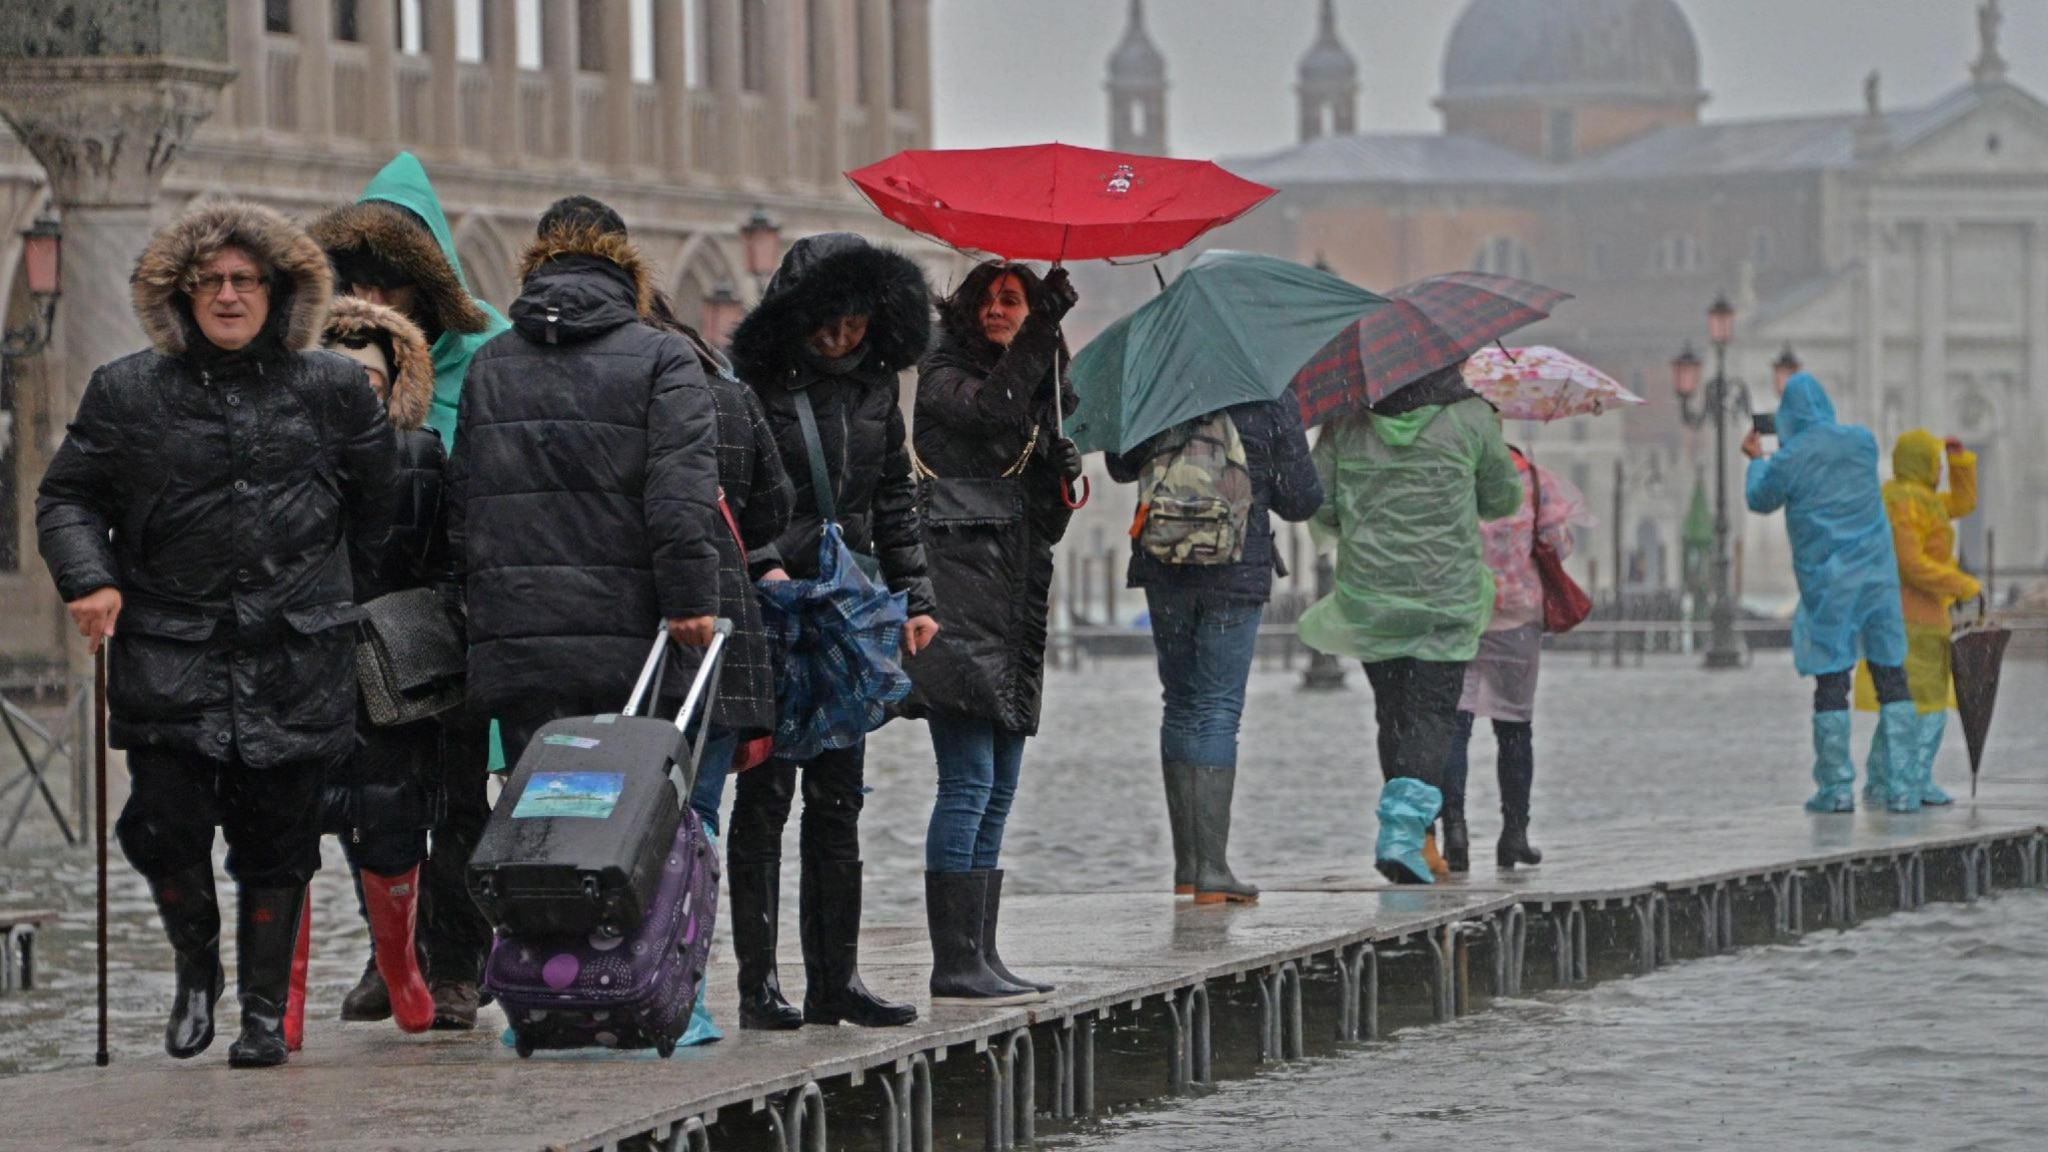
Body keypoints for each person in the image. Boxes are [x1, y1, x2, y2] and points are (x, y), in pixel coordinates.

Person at [36, 201, 397, 1067]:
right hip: (170, 647)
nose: (229, 296)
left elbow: (376, 507)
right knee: (162, 823)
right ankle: (199, 963)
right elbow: (68, 497)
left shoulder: (334, 390)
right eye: (211, 282)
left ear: (278, 293)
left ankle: (264, 1015)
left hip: (295, 651)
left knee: (278, 839)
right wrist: (91, 579)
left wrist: (332, 592)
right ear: (183, 294)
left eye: (245, 281)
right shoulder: (127, 391)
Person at [309, 151, 511, 1028]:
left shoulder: (494, 355)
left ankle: (458, 959)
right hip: (358, 624)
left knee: (461, 795)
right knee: (370, 804)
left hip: (460, 615)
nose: (377, 303)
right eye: (359, 284)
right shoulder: (322, 369)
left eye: (393, 285)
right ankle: (389, 955)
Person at [725, 233, 937, 1030]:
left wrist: (914, 595)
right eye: (831, 323)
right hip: (778, 608)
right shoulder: (752, 385)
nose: (844, 338)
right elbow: (726, 492)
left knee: (839, 796)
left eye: (856, 324)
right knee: (768, 793)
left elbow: (893, 498)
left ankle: (833, 980)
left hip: (848, 611)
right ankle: (757, 985)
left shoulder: (878, 387)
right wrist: (765, 564)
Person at [447, 196, 722, 767]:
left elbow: (463, 504)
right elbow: (680, 495)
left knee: (539, 804)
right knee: (623, 808)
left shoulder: (492, 362)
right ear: (625, 266)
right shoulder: (665, 356)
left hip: (519, 636)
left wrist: (478, 608)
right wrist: (689, 601)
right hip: (631, 633)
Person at [902, 261, 1085, 1005]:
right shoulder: (944, 374)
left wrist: (1060, 477)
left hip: (1010, 603)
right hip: (956, 597)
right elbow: (987, 414)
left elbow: (1041, 521)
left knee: (1001, 787)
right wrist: (1043, 328)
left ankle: (982, 952)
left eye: (1017, 301)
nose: (1002, 311)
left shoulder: (1037, 393)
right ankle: (953, 960)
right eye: (993, 299)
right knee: (968, 782)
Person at [1298, 365, 1522, 884]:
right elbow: (1503, 500)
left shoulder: (1346, 421)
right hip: (1445, 595)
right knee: (1431, 717)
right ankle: (1402, 835)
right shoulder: (1470, 417)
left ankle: (1418, 842)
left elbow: (1320, 504)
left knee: (1393, 715)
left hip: (1372, 595)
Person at [1106, 396, 1321, 905]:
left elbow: (1119, 465)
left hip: (1165, 563)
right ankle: (1213, 869)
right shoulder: (1268, 395)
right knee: (1217, 710)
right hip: (1235, 569)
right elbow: (1302, 499)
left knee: (1180, 704)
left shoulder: (1160, 384)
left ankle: (1188, 867)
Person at [300, 297, 448, 1036]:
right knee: (282, 830)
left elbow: (440, 557)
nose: (356, 390)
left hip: (387, 666)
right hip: (294, 662)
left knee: (391, 821)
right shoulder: (275, 464)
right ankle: (279, 1002)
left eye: (371, 378)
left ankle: (400, 966)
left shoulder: (419, 453)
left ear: (393, 384)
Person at [639, 293, 794, 834]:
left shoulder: (616, 390)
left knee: (619, 812)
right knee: (698, 809)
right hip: (720, 633)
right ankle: (686, 918)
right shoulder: (731, 395)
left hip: (628, 634)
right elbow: (773, 509)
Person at [1743, 372, 1917, 813]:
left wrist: (1756, 458)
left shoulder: (1788, 459)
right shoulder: (1861, 442)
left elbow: (1760, 500)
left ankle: (1837, 788)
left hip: (1830, 584)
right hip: (1877, 580)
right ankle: (1902, 785)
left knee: (1833, 681)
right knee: (1891, 676)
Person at [1440, 447, 1590, 872]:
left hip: (1465, 611)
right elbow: (1558, 546)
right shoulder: (1534, 480)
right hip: (1518, 616)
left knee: (1457, 723)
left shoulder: (1457, 473)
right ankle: (1514, 835)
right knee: (1515, 728)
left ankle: (1455, 830)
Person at [1853, 429, 1979, 807]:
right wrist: (1961, 584)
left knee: (1898, 704)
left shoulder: (1914, 499)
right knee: (1927, 707)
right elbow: (1909, 563)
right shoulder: (1908, 504)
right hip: (1915, 620)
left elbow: (1963, 502)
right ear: (1919, 464)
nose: (1939, 469)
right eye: (1936, 463)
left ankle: (1881, 780)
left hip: (1896, 617)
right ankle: (1911, 781)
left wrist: (1960, 462)